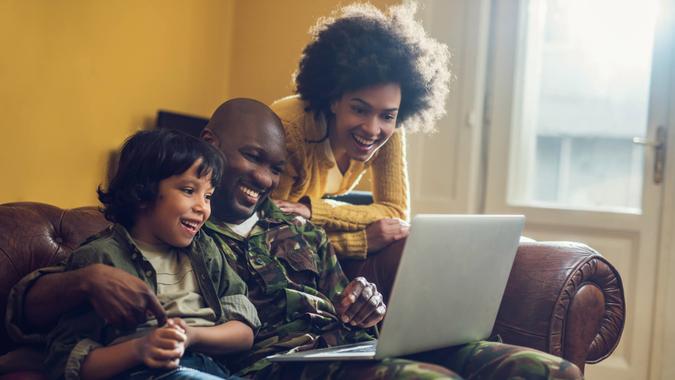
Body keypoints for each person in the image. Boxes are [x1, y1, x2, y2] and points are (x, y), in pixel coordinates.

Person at [7, 99, 582, 380]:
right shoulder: (191, 238)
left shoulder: (291, 224)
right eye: (251, 158)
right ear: (208, 146)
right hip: (279, 366)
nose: (262, 178)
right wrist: (87, 284)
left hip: (351, 346)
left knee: (545, 371)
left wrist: (364, 306)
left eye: (274, 168)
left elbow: (344, 297)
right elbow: (39, 308)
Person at [43, 130, 260, 380]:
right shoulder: (101, 258)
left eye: (208, 196)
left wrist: (191, 336)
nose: (203, 207)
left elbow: (244, 333)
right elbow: (67, 361)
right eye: (189, 190)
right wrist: (140, 348)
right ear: (143, 192)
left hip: (211, 368)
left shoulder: (205, 250)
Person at [271, 3, 450, 262]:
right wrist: (358, 241)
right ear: (334, 99)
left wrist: (313, 211)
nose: (372, 129)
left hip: (309, 214)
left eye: (387, 115)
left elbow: (395, 212)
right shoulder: (291, 129)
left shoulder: (390, 130)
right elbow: (269, 233)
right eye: (359, 109)